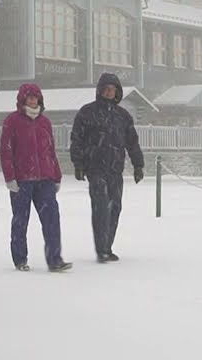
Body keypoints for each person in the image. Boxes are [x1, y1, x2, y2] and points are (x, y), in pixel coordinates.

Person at [69, 72, 145, 263]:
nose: (110, 92)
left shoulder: (123, 116)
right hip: (95, 168)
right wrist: (78, 164)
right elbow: (77, 139)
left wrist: (138, 165)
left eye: (113, 89)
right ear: (100, 90)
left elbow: (132, 143)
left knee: (115, 208)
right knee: (101, 207)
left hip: (115, 169)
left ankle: (108, 246)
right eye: (107, 89)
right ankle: (101, 249)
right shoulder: (87, 113)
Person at [0, 83, 72, 272]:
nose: (33, 100)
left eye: (36, 97)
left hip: (45, 179)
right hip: (21, 180)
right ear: (22, 99)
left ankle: (55, 259)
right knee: (20, 221)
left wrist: (56, 176)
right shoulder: (12, 121)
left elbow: (51, 151)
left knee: (52, 219)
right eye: (29, 97)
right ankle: (20, 259)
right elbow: (6, 151)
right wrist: (10, 177)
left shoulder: (45, 122)